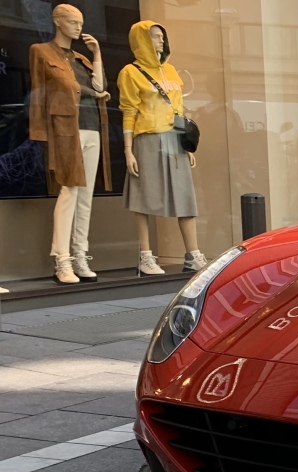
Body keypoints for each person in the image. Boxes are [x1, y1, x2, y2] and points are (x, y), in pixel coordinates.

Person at [29, 4, 112, 285]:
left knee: (85, 194)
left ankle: (80, 254)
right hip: (66, 129)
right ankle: (61, 259)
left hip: (92, 127)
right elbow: (38, 95)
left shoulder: (80, 58)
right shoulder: (41, 52)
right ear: (57, 21)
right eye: (73, 21)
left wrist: (97, 55)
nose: (79, 27)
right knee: (69, 192)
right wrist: (39, 134)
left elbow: (100, 89)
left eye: (81, 22)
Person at [118, 20, 206, 275]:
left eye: (162, 37)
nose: (161, 41)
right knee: (144, 195)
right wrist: (127, 149)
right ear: (142, 40)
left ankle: (193, 253)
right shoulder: (130, 72)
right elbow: (128, 111)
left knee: (185, 196)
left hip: (173, 138)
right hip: (147, 137)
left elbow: (179, 109)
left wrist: (186, 144)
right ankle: (146, 256)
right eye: (155, 36)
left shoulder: (172, 71)